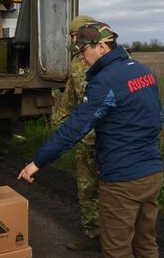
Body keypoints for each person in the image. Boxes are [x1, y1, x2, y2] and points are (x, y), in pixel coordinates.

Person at [18, 22, 164, 258]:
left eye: (84, 51)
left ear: (102, 47)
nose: (82, 58)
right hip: (152, 173)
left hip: (122, 181)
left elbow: (75, 128)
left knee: (117, 249)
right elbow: (158, 118)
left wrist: (37, 162)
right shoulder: (143, 71)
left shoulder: (105, 81)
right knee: (146, 244)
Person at [50, 15, 100, 251]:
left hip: (109, 141)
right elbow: (69, 98)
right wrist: (57, 129)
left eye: (76, 35)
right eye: (71, 36)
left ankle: (118, 239)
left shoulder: (113, 59)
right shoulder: (76, 62)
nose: (73, 40)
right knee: (86, 188)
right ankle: (93, 234)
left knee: (112, 192)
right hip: (84, 138)